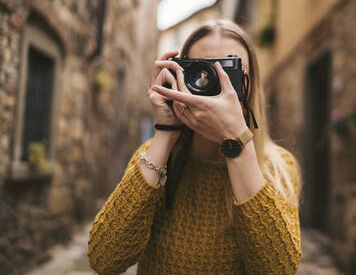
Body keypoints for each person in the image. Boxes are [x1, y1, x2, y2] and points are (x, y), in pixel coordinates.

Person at [87, 19, 303, 274]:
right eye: (201, 72)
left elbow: (278, 270)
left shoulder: (277, 166)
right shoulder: (155, 157)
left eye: (229, 71)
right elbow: (104, 259)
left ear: (249, 85)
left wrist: (236, 141)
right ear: (178, 74)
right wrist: (166, 132)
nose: (213, 85)